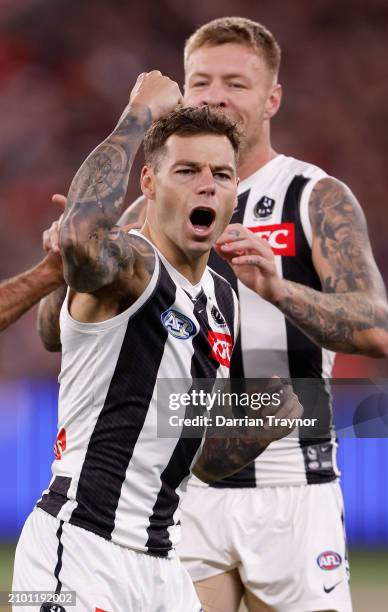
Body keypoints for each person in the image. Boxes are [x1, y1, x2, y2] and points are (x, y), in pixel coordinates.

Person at [13, 70, 302, 612]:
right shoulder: (133, 264)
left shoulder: (223, 295)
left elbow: (194, 458)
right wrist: (139, 113)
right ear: (149, 182)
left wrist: (259, 421)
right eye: (187, 170)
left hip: (163, 564)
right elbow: (80, 238)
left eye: (221, 173)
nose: (207, 184)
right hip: (80, 548)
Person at [175, 17, 388, 612]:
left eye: (235, 83)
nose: (215, 96)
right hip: (183, 485)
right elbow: (60, 331)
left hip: (290, 484)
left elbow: (375, 329)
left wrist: (279, 289)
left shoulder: (313, 195)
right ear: (183, 92)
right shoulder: (155, 205)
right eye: (201, 82)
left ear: (272, 98)